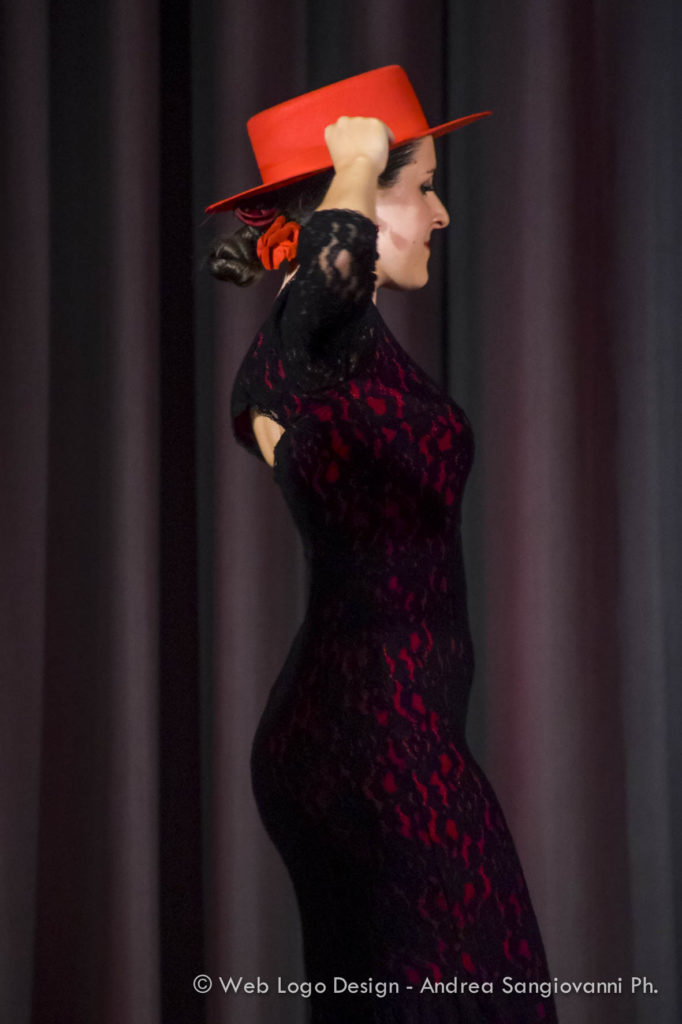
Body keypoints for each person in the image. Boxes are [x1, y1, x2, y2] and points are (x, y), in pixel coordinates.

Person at [207, 66, 558, 1024]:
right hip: (368, 739)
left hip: (384, 731)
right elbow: (322, 289)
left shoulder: (339, 347)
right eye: (423, 188)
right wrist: (358, 163)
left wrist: (359, 181)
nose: (442, 214)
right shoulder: (313, 335)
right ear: (349, 202)